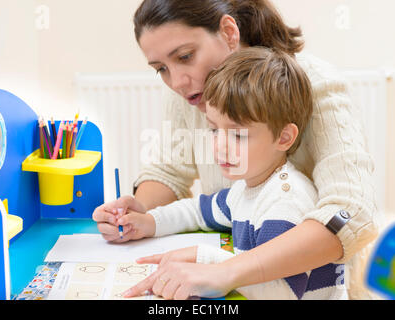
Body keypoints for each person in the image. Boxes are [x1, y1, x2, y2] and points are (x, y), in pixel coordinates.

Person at [93, 0, 380, 299]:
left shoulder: (314, 84)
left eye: (186, 56)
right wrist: (138, 216)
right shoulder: (190, 93)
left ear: (229, 32)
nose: (177, 81)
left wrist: (222, 269)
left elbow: (351, 213)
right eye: (161, 68)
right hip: (239, 278)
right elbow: (170, 171)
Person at [118, 47, 348, 299]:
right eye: (214, 130)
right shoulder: (245, 188)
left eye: (238, 134)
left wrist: (206, 260)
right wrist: (150, 222)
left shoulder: (285, 200)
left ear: (284, 137)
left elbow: (282, 293)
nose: (220, 145)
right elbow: (199, 211)